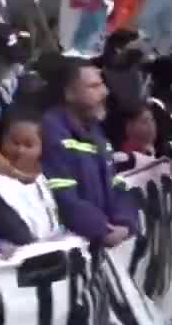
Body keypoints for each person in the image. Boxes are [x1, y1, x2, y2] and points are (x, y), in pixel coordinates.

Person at [40, 58, 140, 247]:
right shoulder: (51, 131)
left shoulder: (95, 130)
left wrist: (125, 222)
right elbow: (62, 196)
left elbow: (116, 185)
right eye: (93, 86)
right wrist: (101, 229)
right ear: (69, 93)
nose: (105, 92)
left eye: (102, 84)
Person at [0, 111, 62, 251]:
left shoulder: (45, 177)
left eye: (28, 145)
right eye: (14, 142)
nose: (20, 150)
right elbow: (18, 236)